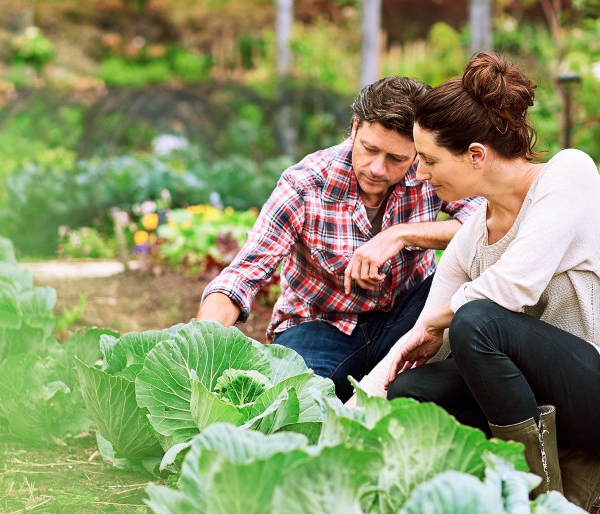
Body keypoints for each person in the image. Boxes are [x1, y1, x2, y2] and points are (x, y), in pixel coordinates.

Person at [358, 53, 600, 512]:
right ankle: (559, 468)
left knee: (476, 322)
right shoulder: (473, 235)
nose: (420, 174)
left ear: (475, 156)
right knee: (414, 391)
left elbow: (512, 289)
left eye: (428, 160)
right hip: (558, 393)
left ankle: (539, 505)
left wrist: (439, 326)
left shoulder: (568, 176)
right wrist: (363, 400)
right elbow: (424, 328)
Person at [197, 76, 482, 400]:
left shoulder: (430, 172)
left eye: (396, 159)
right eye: (369, 149)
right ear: (355, 126)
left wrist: (400, 234)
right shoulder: (305, 184)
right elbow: (243, 274)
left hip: (409, 313)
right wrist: (203, 343)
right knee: (288, 403)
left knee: (466, 295)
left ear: (418, 151)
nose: (377, 168)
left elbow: (487, 222)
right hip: (319, 324)